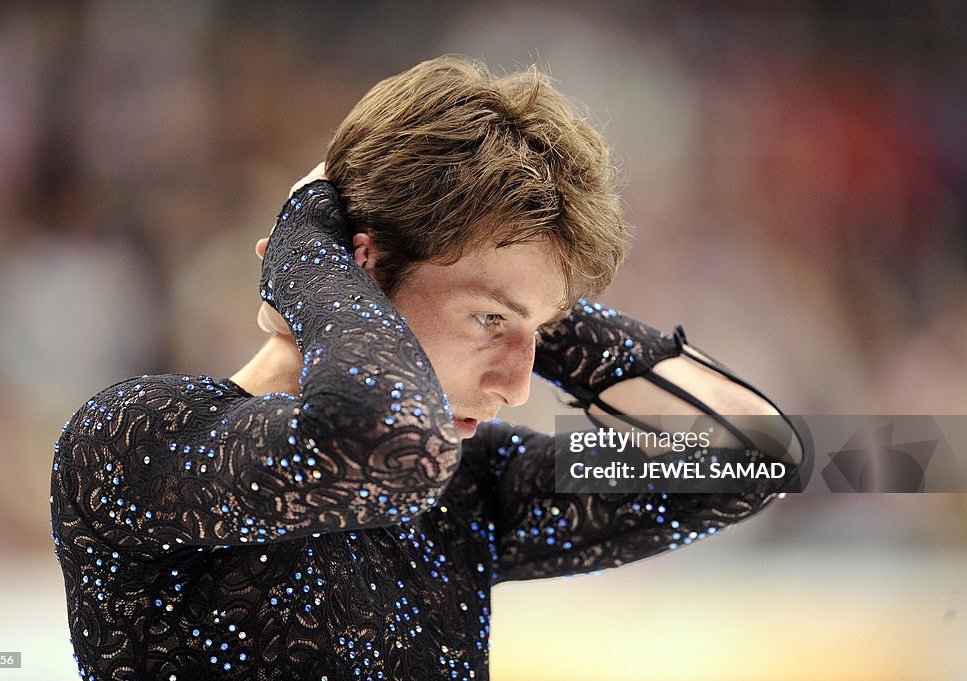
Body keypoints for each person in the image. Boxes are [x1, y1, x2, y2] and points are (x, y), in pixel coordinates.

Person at [51, 56, 801, 681]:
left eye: (537, 333)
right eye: (488, 321)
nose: (515, 383)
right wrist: (310, 245)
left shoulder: (467, 483)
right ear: (363, 269)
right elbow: (379, 446)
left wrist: (538, 304)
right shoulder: (134, 439)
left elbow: (755, 456)